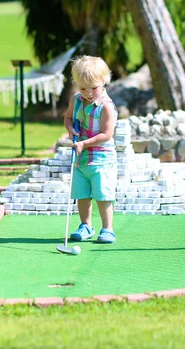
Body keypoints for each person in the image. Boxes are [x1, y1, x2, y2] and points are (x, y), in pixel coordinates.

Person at [64, 56, 117, 243]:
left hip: (101, 158)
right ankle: (85, 226)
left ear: (103, 81)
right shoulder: (76, 100)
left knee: (102, 195)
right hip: (80, 158)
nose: (89, 93)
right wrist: (71, 130)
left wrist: (84, 143)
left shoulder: (106, 107)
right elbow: (68, 118)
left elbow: (106, 134)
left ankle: (107, 229)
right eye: (82, 88)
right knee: (82, 194)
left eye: (93, 88)